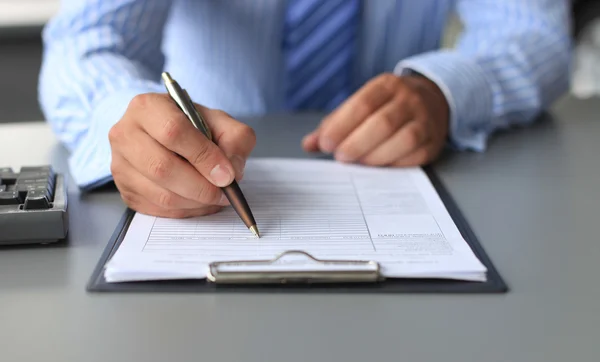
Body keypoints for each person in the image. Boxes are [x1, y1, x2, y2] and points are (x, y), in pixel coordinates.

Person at [39, 0, 571, 218]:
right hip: (202, 172)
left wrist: (443, 90)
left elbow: (535, 34)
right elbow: (86, 41)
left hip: (400, 179)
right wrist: (126, 117)